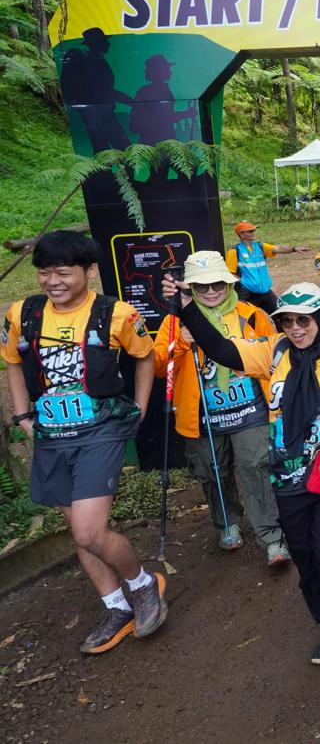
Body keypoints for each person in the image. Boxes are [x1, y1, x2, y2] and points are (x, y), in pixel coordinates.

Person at [164, 278, 320, 665]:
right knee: (304, 553)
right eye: (287, 322)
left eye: (304, 321)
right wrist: (185, 308)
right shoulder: (274, 352)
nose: (296, 329)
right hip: (288, 472)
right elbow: (221, 349)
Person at [3, 230, 165, 655]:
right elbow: (15, 363)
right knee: (79, 532)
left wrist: (141, 407)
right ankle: (116, 607)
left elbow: (144, 356)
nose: (52, 281)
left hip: (99, 432)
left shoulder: (117, 314)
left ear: (88, 271)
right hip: (51, 434)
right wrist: (22, 416)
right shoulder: (23, 314)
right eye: (43, 273)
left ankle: (143, 585)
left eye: (62, 272)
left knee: (90, 532)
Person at [154, 251, 287, 565]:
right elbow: (159, 365)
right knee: (213, 470)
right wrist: (183, 343)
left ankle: (272, 535)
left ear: (229, 284)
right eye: (202, 287)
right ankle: (227, 521)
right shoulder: (174, 320)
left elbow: (275, 358)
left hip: (250, 410)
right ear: (190, 288)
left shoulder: (251, 315)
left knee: (256, 465)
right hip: (202, 416)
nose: (211, 291)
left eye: (217, 284)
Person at [225, 221, 310, 314]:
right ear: (241, 235)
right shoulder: (234, 252)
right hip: (246, 293)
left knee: (280, 314)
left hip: (264, 291)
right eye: (249, 231)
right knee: (248, 321)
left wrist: (293, 249)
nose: (253, 233)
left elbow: (278, 249)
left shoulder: (260, 246)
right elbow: (229, 274)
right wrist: (244, 282)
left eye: (253, 230)